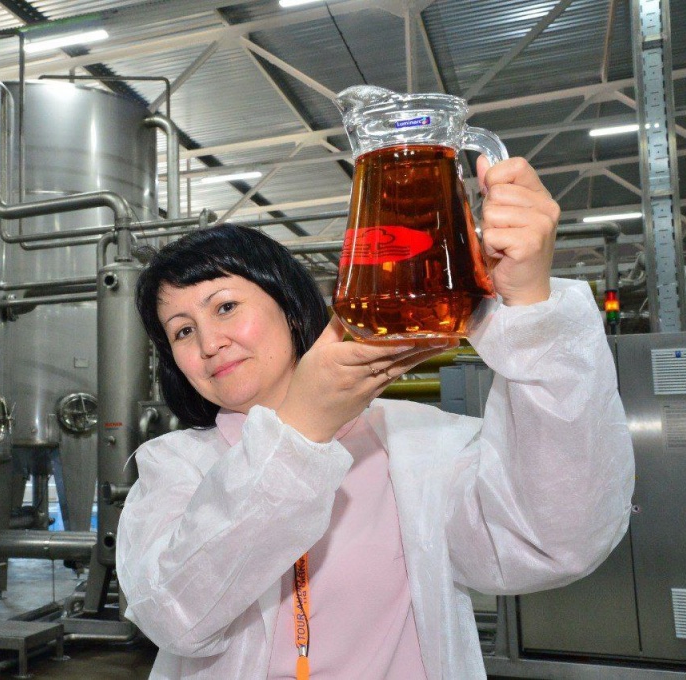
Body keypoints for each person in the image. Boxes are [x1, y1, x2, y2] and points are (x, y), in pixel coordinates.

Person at [115, 157, 634, 680]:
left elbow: (552, 541)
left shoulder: (415, 447)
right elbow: (174, 617)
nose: (209, 343)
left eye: (225, 307)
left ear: (289, 307)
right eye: (182, 331)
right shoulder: (175, 466)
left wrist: (532, 311)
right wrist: (299, 430)